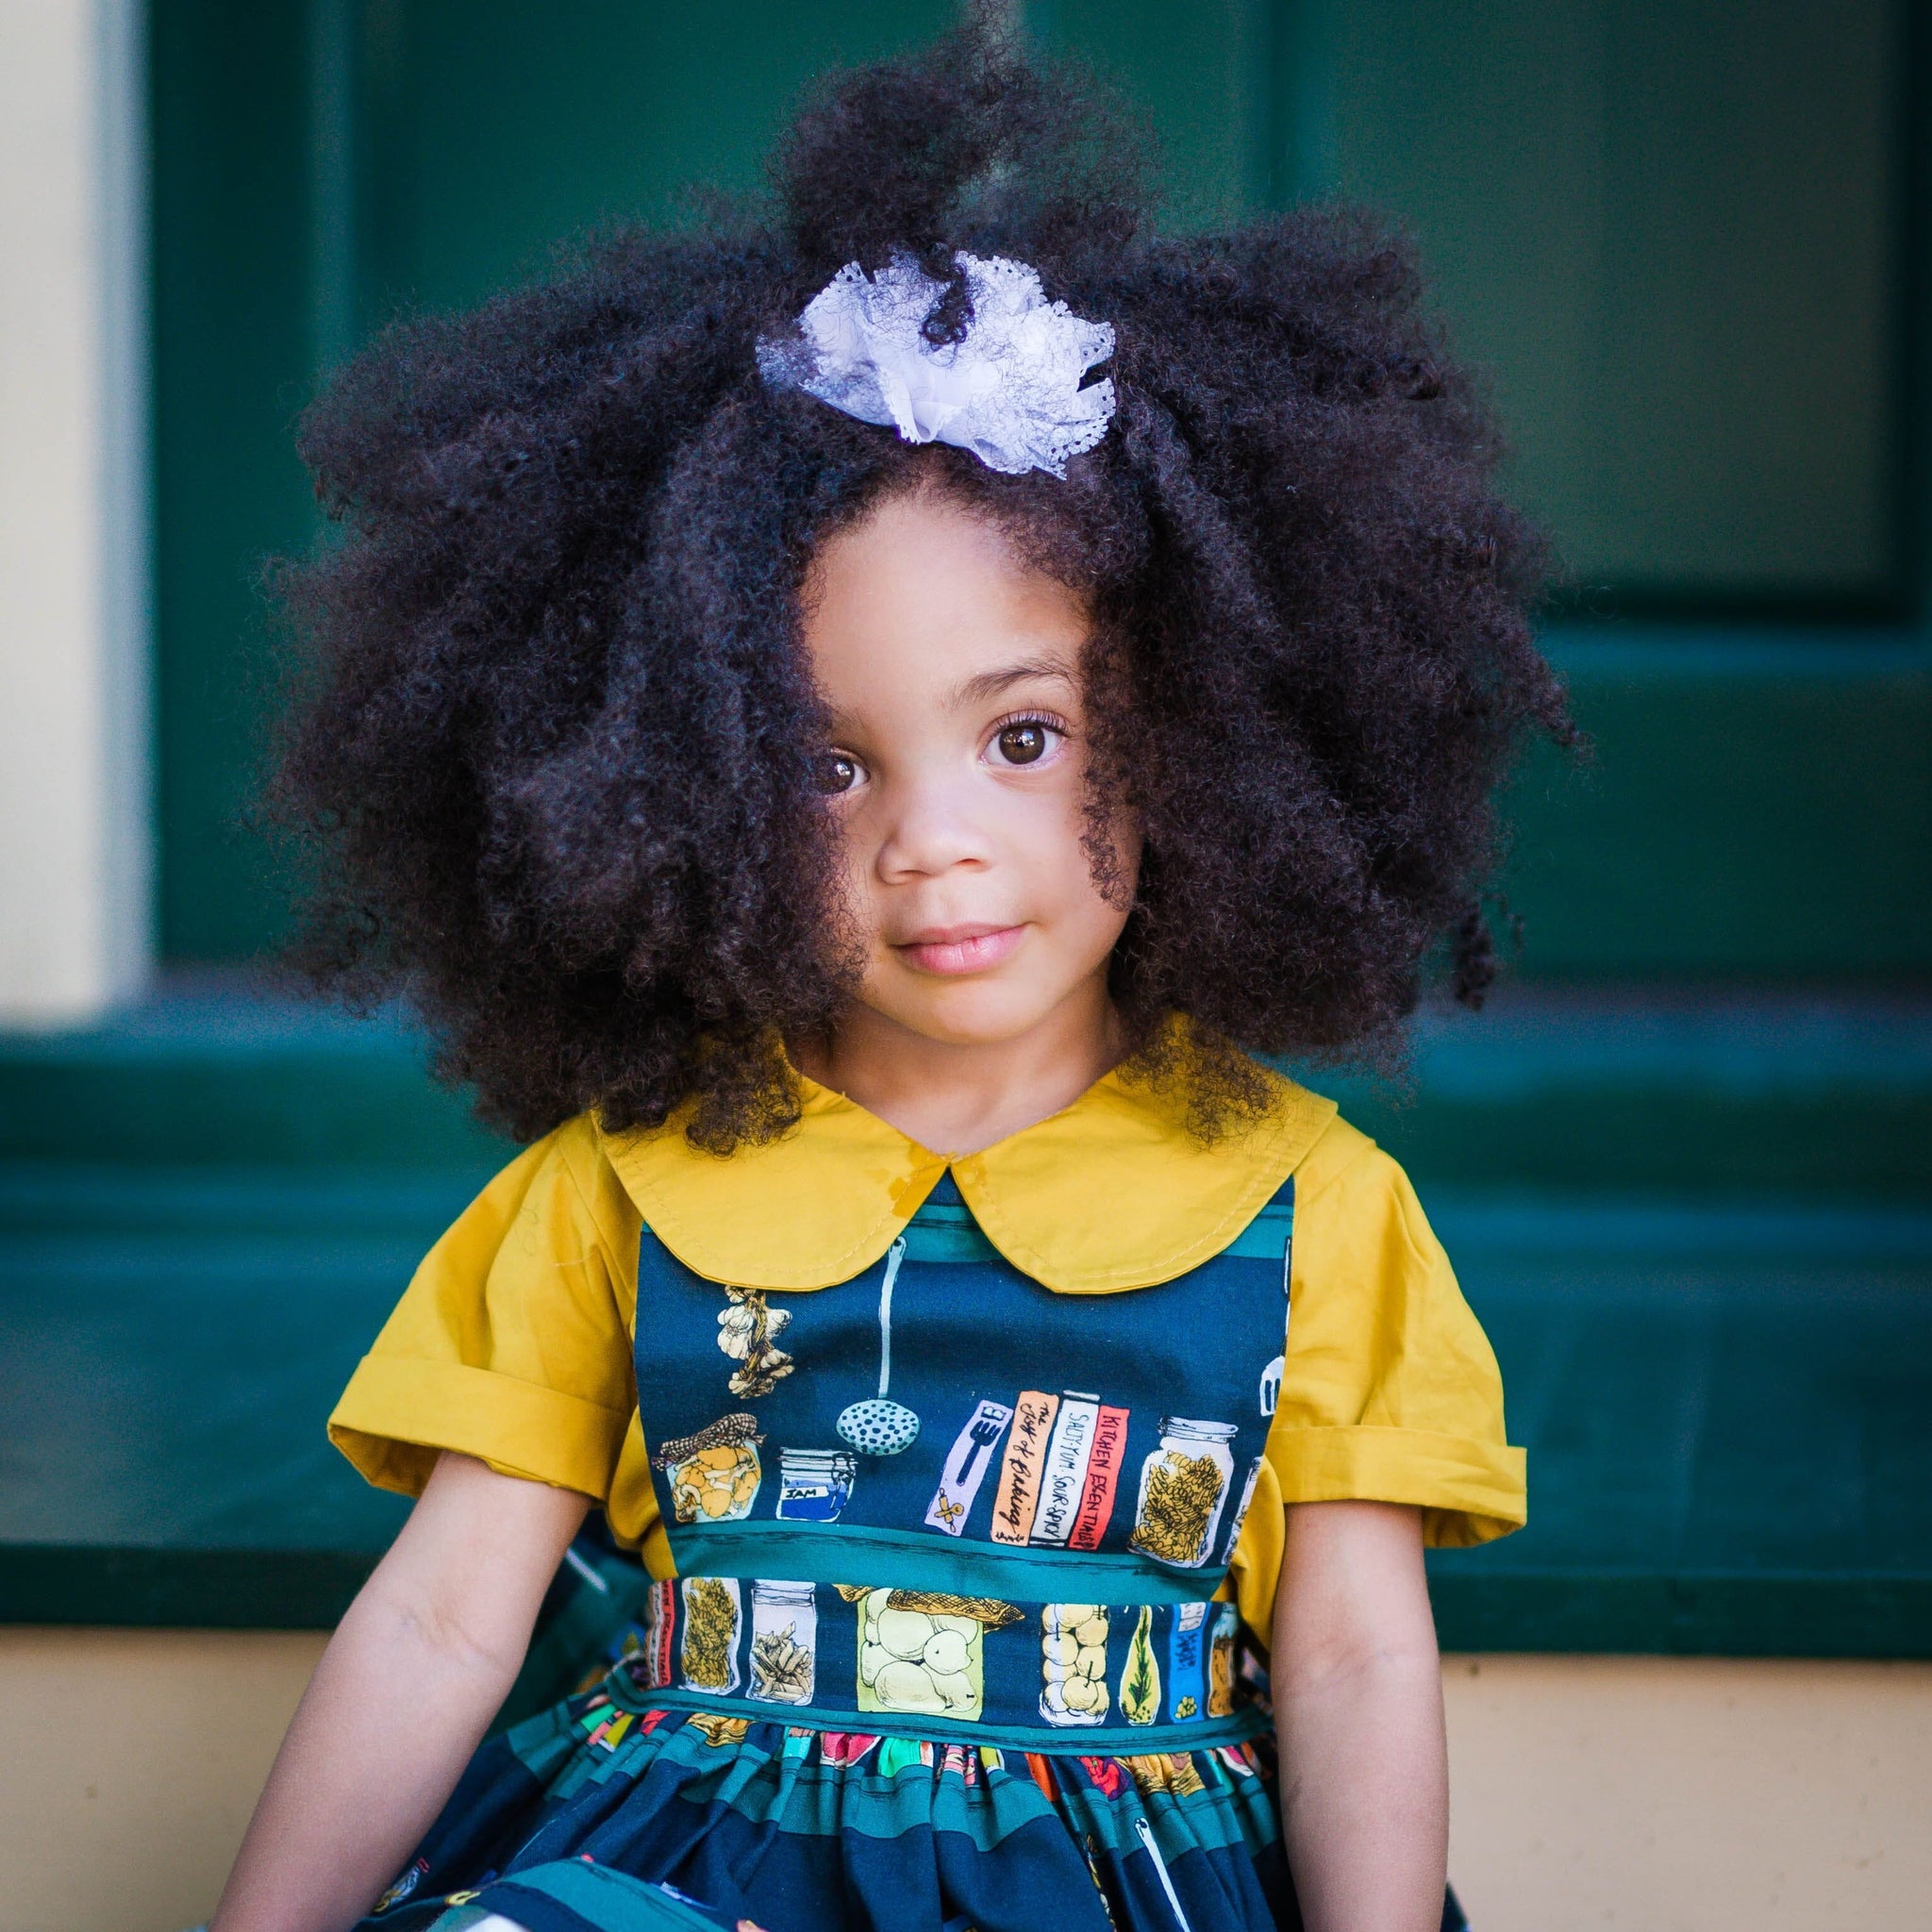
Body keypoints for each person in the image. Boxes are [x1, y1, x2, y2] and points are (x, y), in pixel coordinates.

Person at [211, 25, 1566, 1932]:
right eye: (826, 764)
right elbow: (443, 1612)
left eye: (1019, 738)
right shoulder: (622, 1189)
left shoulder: (1315, 1219)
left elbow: (1349, 1662)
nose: (928, 841)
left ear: (1194, 733)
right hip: (678, 1873)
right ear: (682, 785)